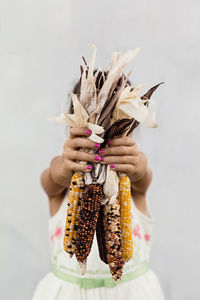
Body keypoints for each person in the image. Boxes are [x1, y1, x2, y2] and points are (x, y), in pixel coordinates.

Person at [32, 74, 165, 300]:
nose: (103, 144)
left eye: (117, 130)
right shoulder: (64, 180)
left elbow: (143, 177)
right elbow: (51, 180)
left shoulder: (134, 181)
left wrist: (137, 164)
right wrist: (65, 165)